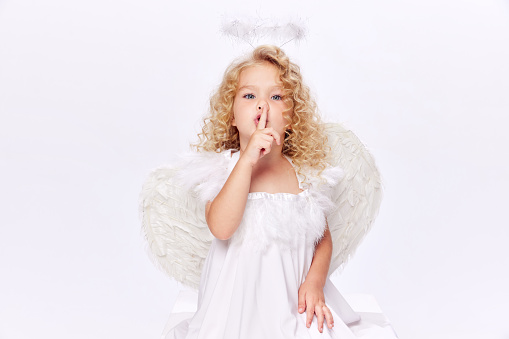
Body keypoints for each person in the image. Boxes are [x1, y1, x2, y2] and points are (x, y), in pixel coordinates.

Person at [141, 45, 398, 338]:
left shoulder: (304, 174)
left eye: (276, 97)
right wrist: (247, 159)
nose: (262, 106)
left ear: (290, 118)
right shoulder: (223, 170)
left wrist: (315, 282)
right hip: (236, 312)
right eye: (250, 96)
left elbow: (322, 239)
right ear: (232, 117)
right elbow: (222, 228)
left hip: (293, 306)